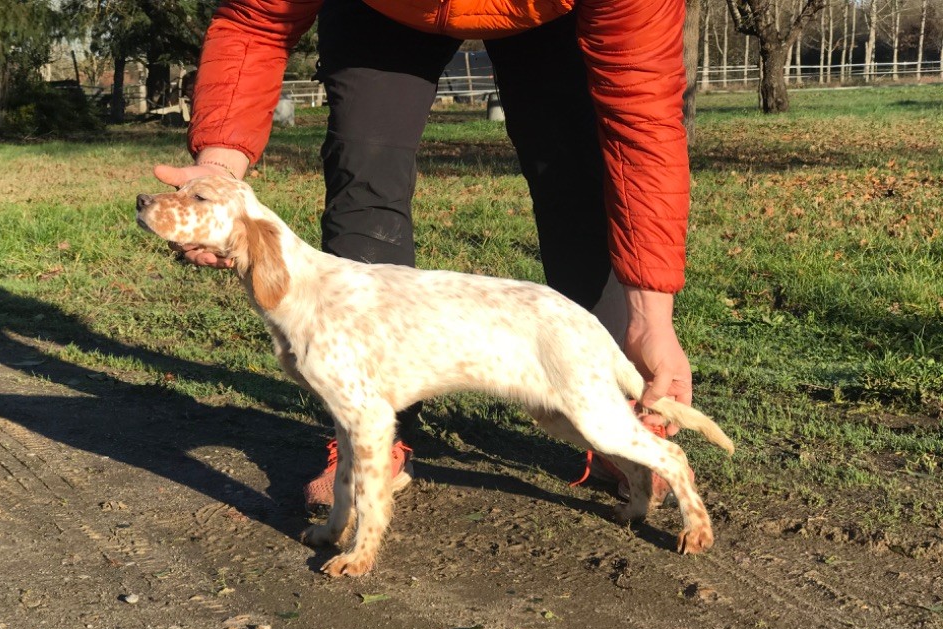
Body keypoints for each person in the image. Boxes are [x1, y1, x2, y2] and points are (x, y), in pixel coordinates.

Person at [154, 0, 693, 509]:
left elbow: (641, 117)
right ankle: (372, 432)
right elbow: (257, 20)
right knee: (363, 175)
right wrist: (217, 174)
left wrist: (651, 317)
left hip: (545, 15)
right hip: (384, 12)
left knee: (578, 181)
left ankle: (608, 416)